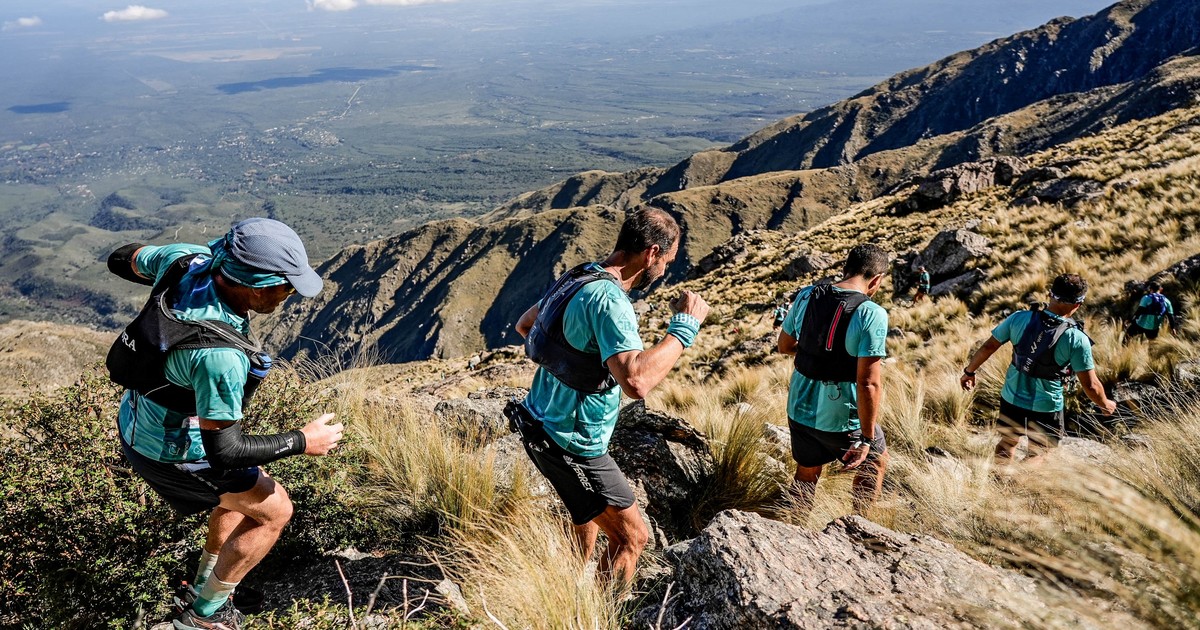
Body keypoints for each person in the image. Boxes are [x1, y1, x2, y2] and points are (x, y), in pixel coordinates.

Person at [106, 218, 344, 630]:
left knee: (240, 492)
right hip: (168, 451)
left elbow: (120, 259)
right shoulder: (219, 357)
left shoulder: (185, 259)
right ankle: (204, 616)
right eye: (287, 288)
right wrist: (303, 440)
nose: (289, 297)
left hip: (135, 419)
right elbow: (226, 453)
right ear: (256, 286)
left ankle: (203, 587)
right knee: (275, 511)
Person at [510, 207, 709, 589]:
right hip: (573, 444)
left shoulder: (579, 275)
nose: (664, 271)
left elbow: (526, 325)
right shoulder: (610, 300)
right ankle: (602, 615)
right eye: (666, 261)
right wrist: (685, 326)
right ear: (651, 253)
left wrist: (574, 365)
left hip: (537, 420)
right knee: (632, 539)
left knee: (585, 513)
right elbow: (636, 381)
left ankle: (564, 594)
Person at [776, 243, 891, 516]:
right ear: (876, 280)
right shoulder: (871, 313)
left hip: (799, 408)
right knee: (875, 460)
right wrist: (866, 437)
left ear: (845, 269)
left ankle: (795, 524)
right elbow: (868, 384)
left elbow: (784, 345)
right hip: (841, 419)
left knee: (806, 472)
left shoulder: (806, 295)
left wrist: (814, 355)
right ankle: (858, 524)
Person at [960, 273, 1116, 462]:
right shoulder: (1076, 338)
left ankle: (999, 477)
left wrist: (969, 372)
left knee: (1008, 442)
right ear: (1078, 304)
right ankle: (1022, 480)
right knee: (1039, 452)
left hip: (1011, 397)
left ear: (1050, 293)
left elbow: (988, 347)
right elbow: (1090, 385)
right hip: (1046, 405)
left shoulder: (1019, 318)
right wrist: (1105, 404)